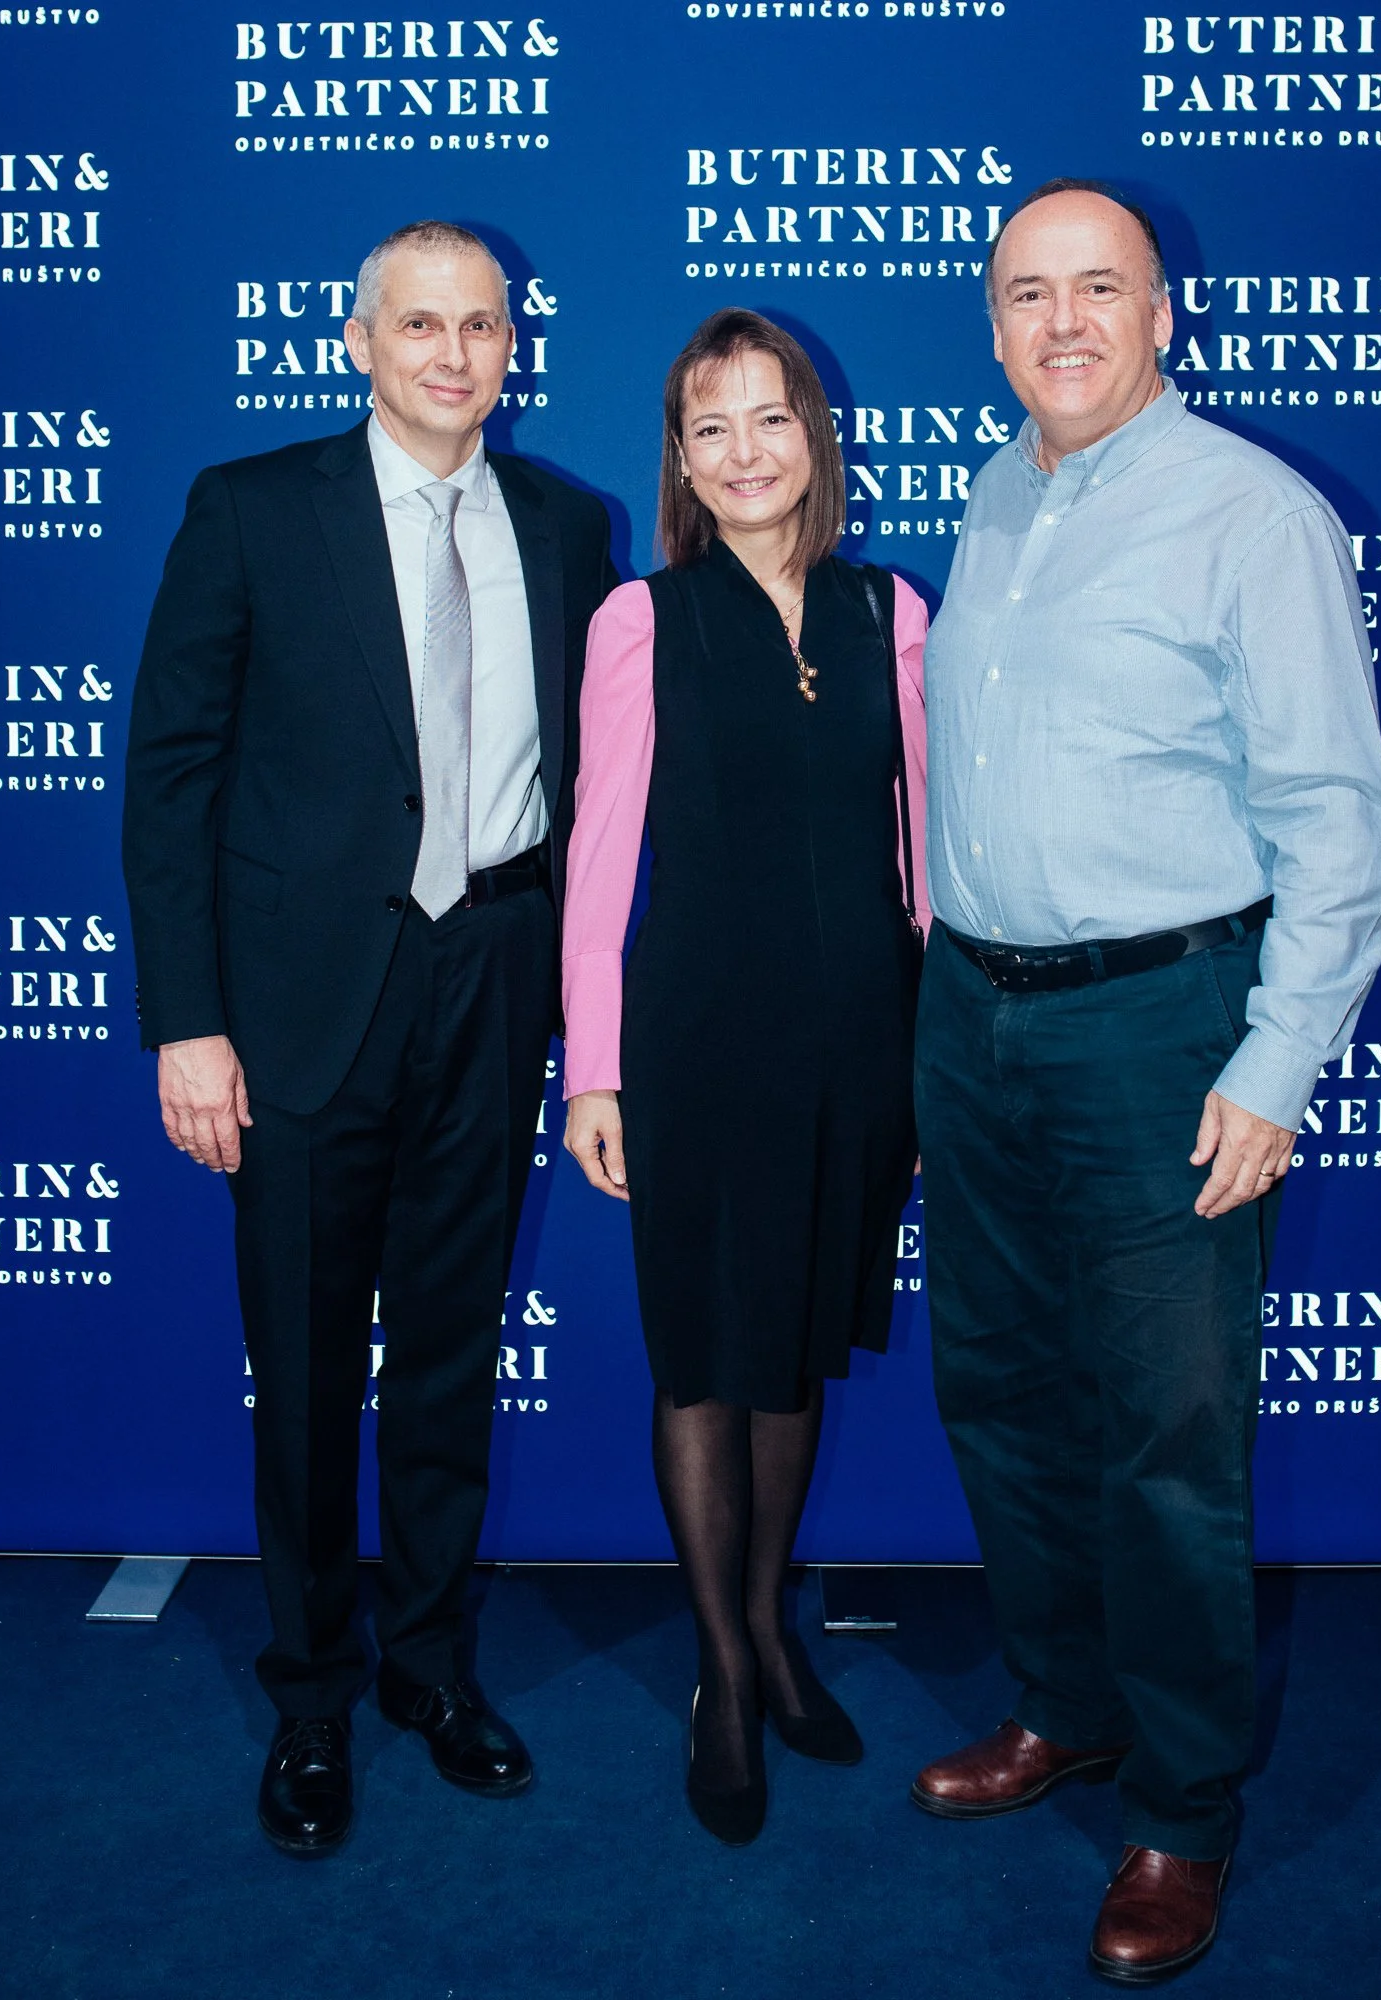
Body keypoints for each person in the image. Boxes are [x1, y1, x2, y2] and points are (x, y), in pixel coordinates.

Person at [912, 181, 1381, 1981]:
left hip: (1162, 1029)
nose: (1061, 324)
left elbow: (1338, 818)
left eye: (1097, 289)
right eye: (1026, 293)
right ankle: (1070, 1706)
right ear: (992, 324)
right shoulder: (996, 493)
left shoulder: (1249, 517)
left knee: (1171, 1440)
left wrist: (1274, 1065)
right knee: (1005, 1395)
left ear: (1163, 312)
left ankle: (1183, 1807)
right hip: (973, 1018)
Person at [122, 220, 617, 1857]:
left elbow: (597, 796)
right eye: (420, 324)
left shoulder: (566, 525)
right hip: (301, 1009)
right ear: (359, 340)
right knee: (312, 1366)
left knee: (453, 1357)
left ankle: (429, 1668)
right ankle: (315, 1697)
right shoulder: (252, 510)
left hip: (491, 981)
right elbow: (172, 778)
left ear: (509, 346)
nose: (453, 354)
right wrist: (188, 1023)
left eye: (479, 325)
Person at [561, 309, 929, 1845]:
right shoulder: (645, 621)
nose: (743, 452)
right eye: (709, 428)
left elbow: (923, 859)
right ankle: (724, 1666)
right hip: (698, 1044)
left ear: (814, 436)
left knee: (789, 1352)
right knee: (708, 1356)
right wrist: (594, 1069)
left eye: (768, 419)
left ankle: (776, 1626)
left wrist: (936, 1041)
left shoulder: (892, 610)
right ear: (682, 460)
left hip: (864, 1043)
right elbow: (599, 859)